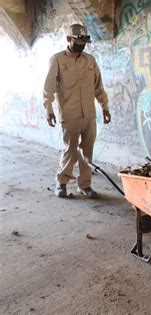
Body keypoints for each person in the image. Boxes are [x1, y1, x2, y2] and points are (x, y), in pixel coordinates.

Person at [43, 24, 111, 198]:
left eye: (84, 41)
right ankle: (62, 182)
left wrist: (105, 107)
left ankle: (85, 185)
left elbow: (98, 87)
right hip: (69, 113)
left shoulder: (90, 60)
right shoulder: (58, 59)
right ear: (68, 39)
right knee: (71, 150)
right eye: (78, 41)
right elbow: (49, 87)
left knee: (87, 151)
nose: (82, 45)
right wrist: (49, 109)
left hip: (89, 114)